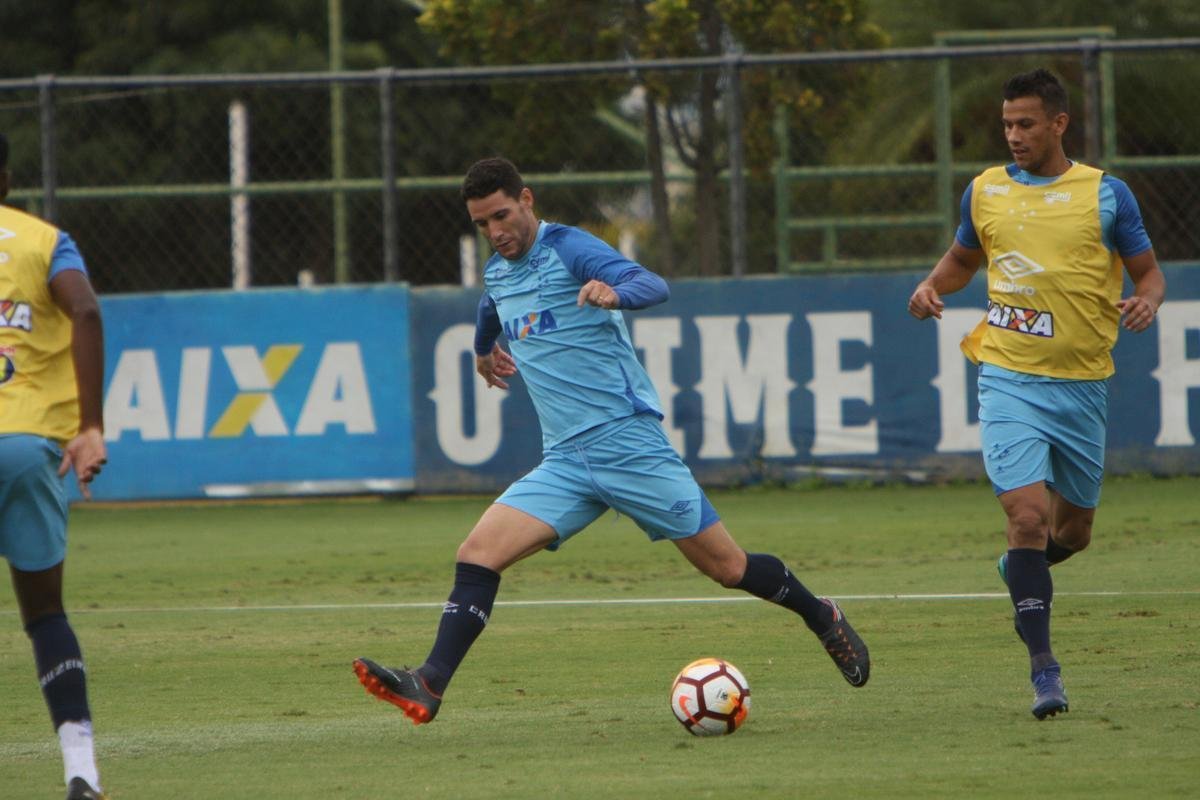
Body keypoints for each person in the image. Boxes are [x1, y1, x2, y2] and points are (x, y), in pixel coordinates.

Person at [354, 156, 870, 724]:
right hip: (565, 463)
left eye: (501, 215)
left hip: (628, 445)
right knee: (477, 555)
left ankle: (820, 615)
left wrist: (613, 294)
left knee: (729, 568)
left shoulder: (570, 248)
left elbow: (652, 283)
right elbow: (491, 305)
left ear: (527, 200)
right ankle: (428, 682)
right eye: (482, 224)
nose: (495, 232)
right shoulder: (500, 271)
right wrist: (483, 350)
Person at [907, 69, 1166, 720]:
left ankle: (1023, 571)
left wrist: (1148, 301)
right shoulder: (985, 191)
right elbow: (963, 260)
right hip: (1007, 375)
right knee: (1026, 519)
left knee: (1072, 532)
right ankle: (1045, 671)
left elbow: (1149, 272)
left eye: (1026, 124)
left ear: (1058, 124)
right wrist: (930, 287)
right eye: (1006, 125)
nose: (1014, 136)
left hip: (1081, 383)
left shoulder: (1106, 195)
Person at [0, 133, 110, 799]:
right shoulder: (44, 240)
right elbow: (87, 309)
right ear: (6, 175)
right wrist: (90, 425)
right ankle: (81, 770)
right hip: (24, 448)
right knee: (44, 616)